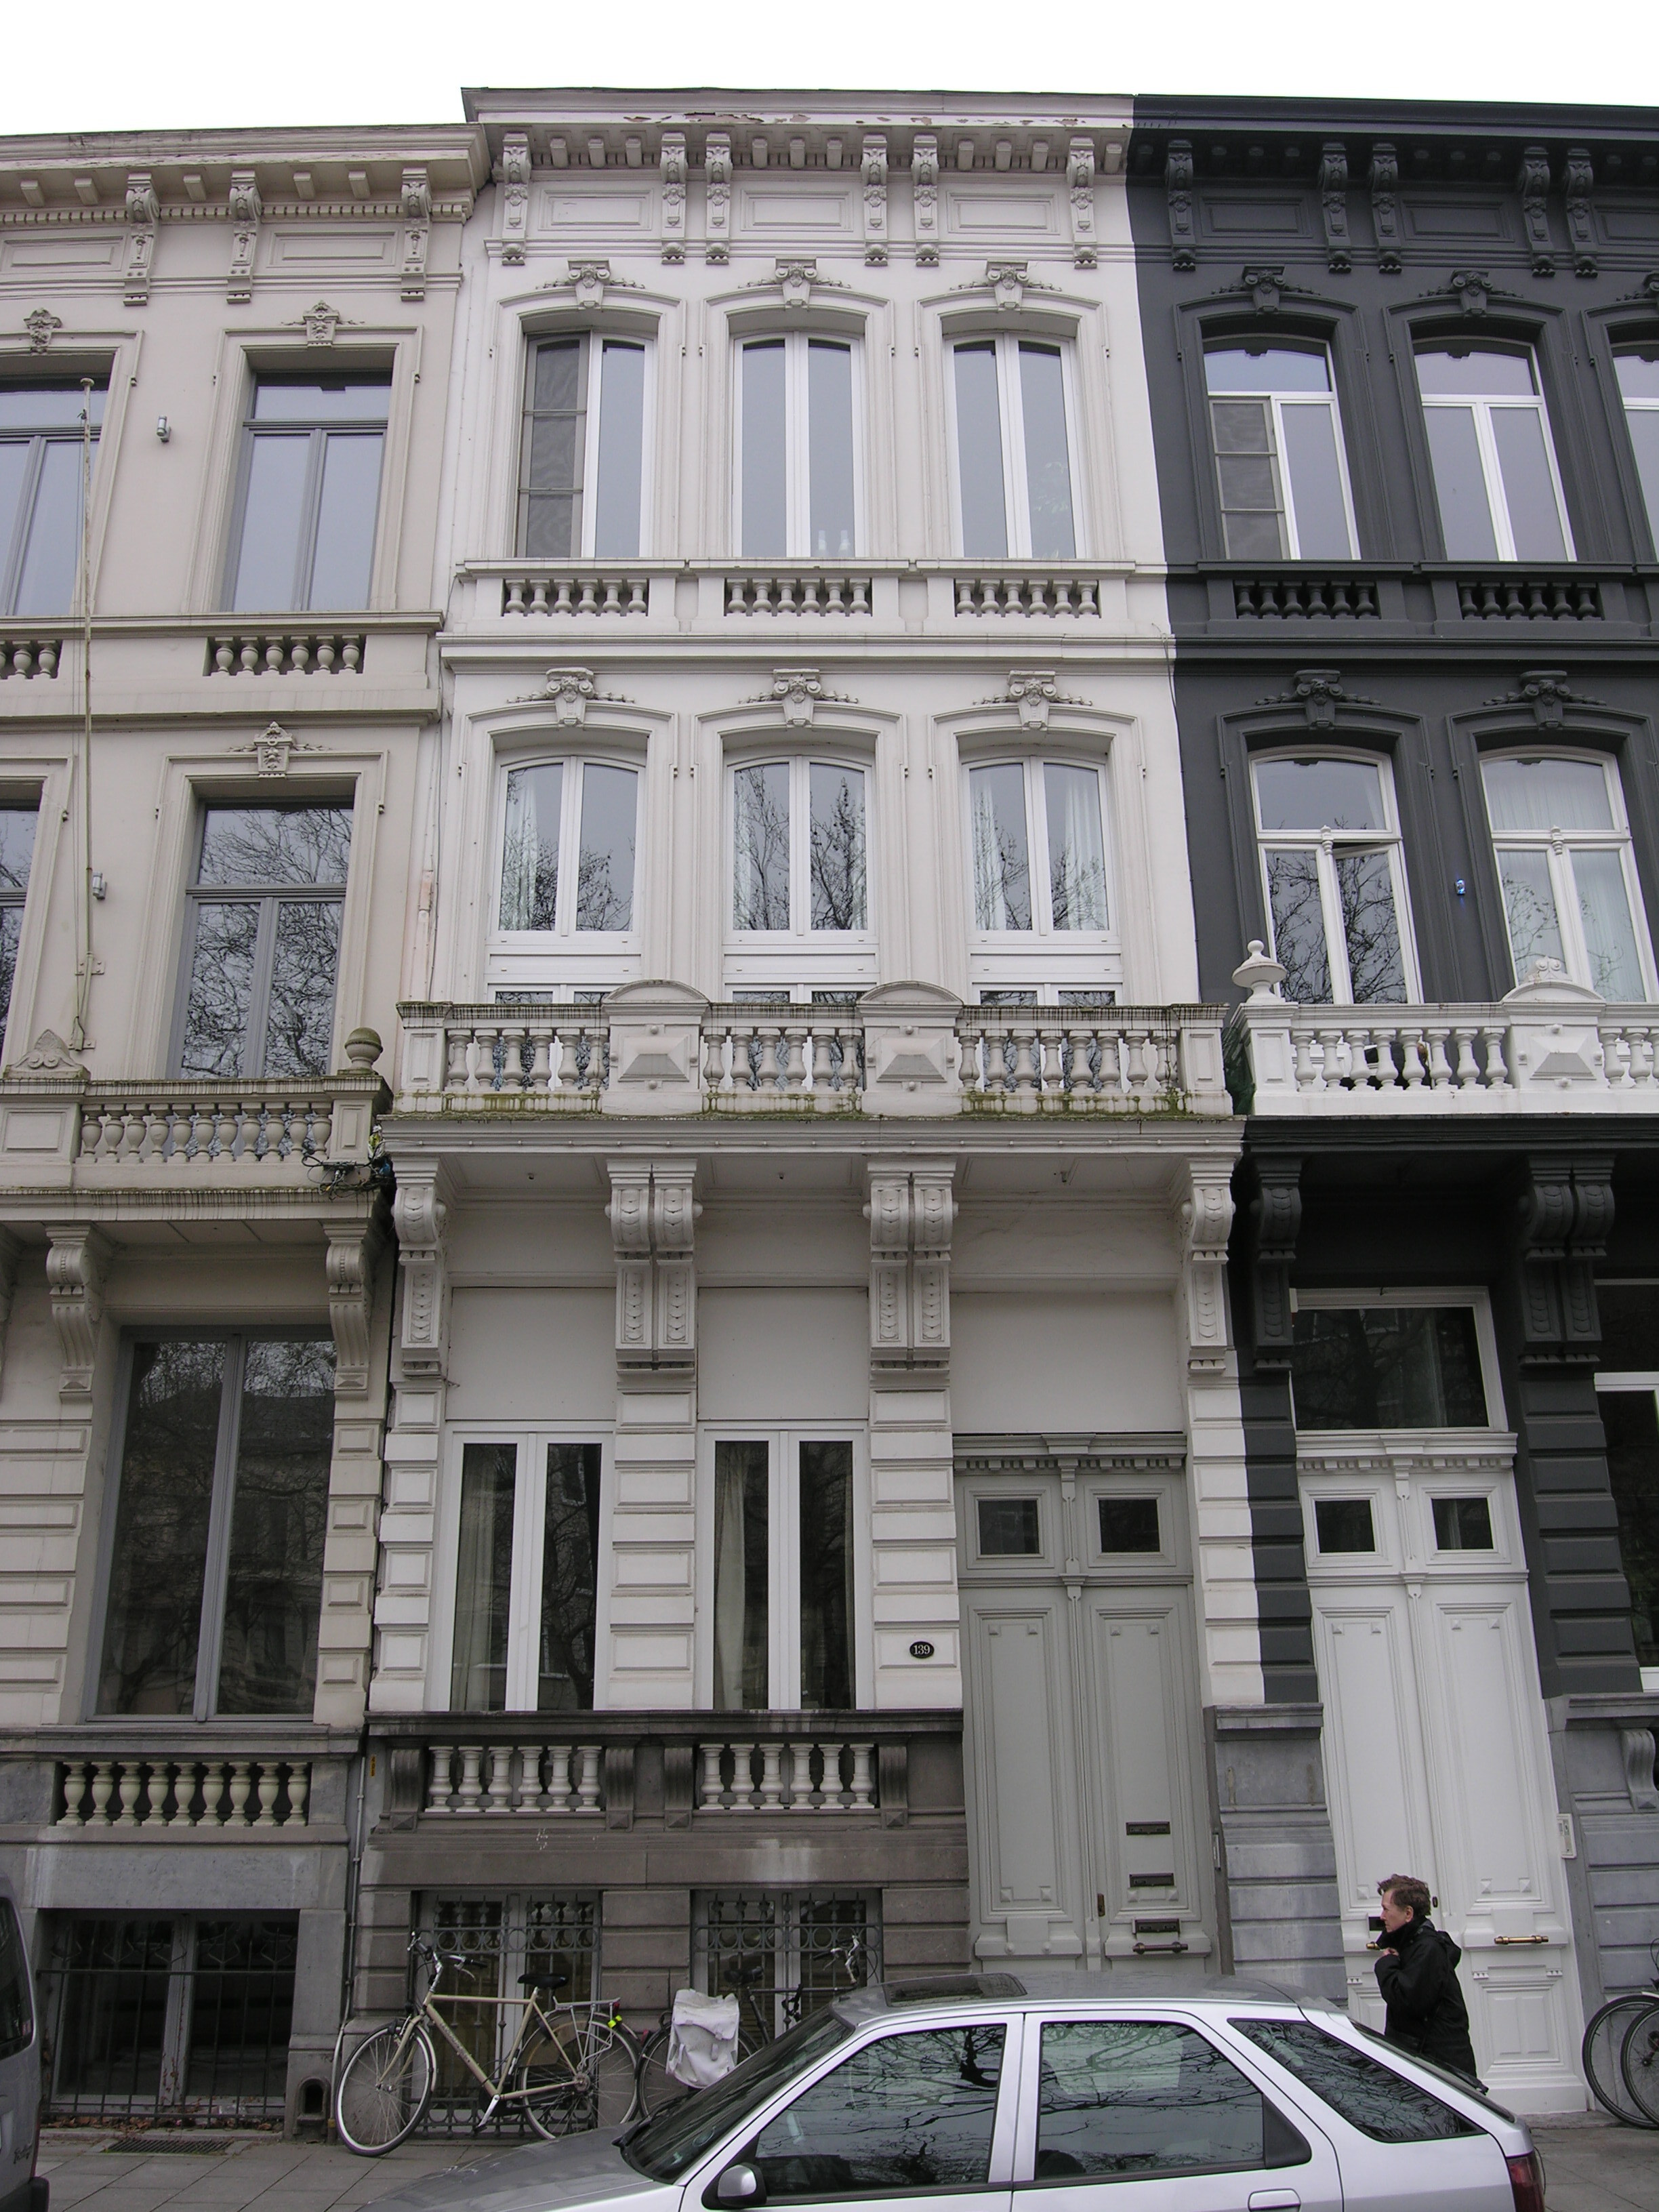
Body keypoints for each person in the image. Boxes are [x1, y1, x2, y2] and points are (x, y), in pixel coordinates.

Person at [1373, 1873, 1479, 2081]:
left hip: (1441, 2068)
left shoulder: (1427, 1949)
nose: (1382, 1917)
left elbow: (1406, 2000)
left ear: (1408, 1913)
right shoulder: (1412, 1945)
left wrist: (1386, 1965)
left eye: (1386, 1909)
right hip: (1427, 2063)